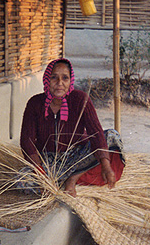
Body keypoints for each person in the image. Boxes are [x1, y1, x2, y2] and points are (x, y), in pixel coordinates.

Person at [19, 58, 125, 197]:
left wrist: (105, 166)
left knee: (111, 135)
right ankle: (57, 179)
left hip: (76, 156)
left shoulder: (81, 100)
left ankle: (72, 179)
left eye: (65, 78)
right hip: (49, 161)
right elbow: (27, 142)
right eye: (54, 78)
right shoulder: (35, 103)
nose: (59, 83)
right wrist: (41, 174)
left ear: (71, 81)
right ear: (46, 79)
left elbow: (96, 133)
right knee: (22, 181)